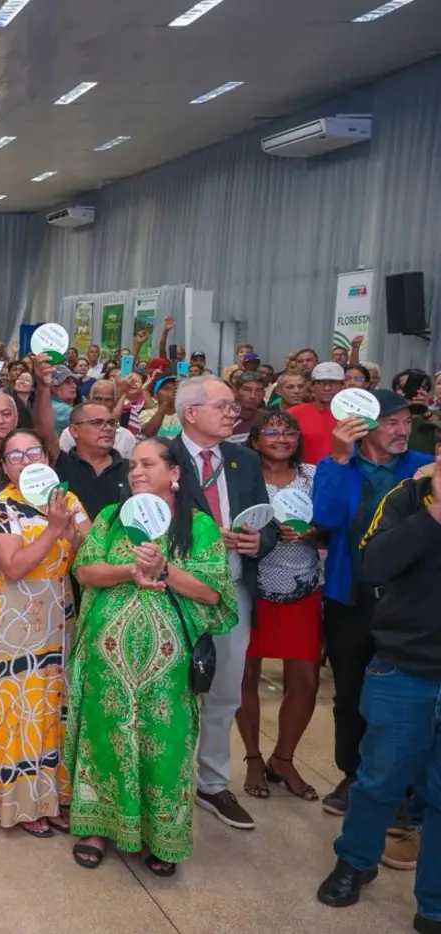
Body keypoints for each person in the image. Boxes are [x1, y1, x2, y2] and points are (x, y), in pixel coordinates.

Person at [66, 437, 236, 873]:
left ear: (174, 473)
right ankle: (98, 826)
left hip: (168, 668)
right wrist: (130, 570)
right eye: (132, 466)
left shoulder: (198, 526)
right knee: (105, 736)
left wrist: (164, 569)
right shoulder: (112, 518)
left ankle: (157, 834)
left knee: (163, 744)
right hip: (108, 664)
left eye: (147, 464)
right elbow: (84, 570)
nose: (136, 472)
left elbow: (213, 592)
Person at [316, 434, 441, 926]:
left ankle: (434, 900)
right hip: (403, 665)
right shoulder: (407, 497)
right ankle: (355, 862)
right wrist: (435, 514)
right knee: (379, 778)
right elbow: (374, 564)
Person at [313, 389, 430, 815]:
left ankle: (408, 786)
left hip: (410, 603)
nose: (403, 431)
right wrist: (339, 458)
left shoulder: (424, 468)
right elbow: (325, 519)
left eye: (407, 423)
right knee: (350, 692)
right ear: (362, 427)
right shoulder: (336, 466)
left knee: (409, 696)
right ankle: (353, 774)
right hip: (351, 596)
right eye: (391, 423)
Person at [170, 376, 276, 832]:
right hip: (176, 591)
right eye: (224, 406)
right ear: (191, 412)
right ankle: (164, 778)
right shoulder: (162, 456)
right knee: (169, 690)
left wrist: (258, 541)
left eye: (234, 406)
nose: (234, 413)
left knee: (226, 690)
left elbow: (266, 521)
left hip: (232, 590)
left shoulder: (243, 459)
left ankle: (212, 783)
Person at [0, 429, 90, 836]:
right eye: (15, 456)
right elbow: (14, 567)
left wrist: (72, 533)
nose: (26, 461)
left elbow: (91, 550)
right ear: (4, 467)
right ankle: (22, 807)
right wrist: (53, 529)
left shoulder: (67, 500)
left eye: (33, 452)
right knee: (18, 713)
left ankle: (52, 798)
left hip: (58, 617)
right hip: (13, 621)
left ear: (47, 457)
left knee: (54, 710)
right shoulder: (0, 507)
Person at [236, 412, 321, 802]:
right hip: (252, 587)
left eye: (289, 431)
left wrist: (312, 533)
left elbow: (333, 526)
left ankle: (283, 758)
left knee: (305, 681)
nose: (282, 437)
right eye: (271, 431)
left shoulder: (312, 476)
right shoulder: (245, 477)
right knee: (245, 676)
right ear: (255, 440)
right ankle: (254, 757)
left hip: (302, 586)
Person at [35, 367, 130, 522]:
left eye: (111, 423)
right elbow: (45, 430)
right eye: (97, 422)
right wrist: (43, 387)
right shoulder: (63, 464)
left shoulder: (130, 469)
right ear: (74, 431)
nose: (107, 428)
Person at [60, 379, 137, 460]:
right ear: (89, 399)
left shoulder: (126, 437)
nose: (102, 404)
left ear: (115, 402)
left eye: (108, 400)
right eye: (98, 399)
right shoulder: (70, 434)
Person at [289, 361, 345, 464]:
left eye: (333, 382)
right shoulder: (294, 413)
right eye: (320, 383)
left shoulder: (351, 415)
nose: (327, 388)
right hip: (304, 472)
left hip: (343, 472)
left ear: (342, 386)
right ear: (312, 386)